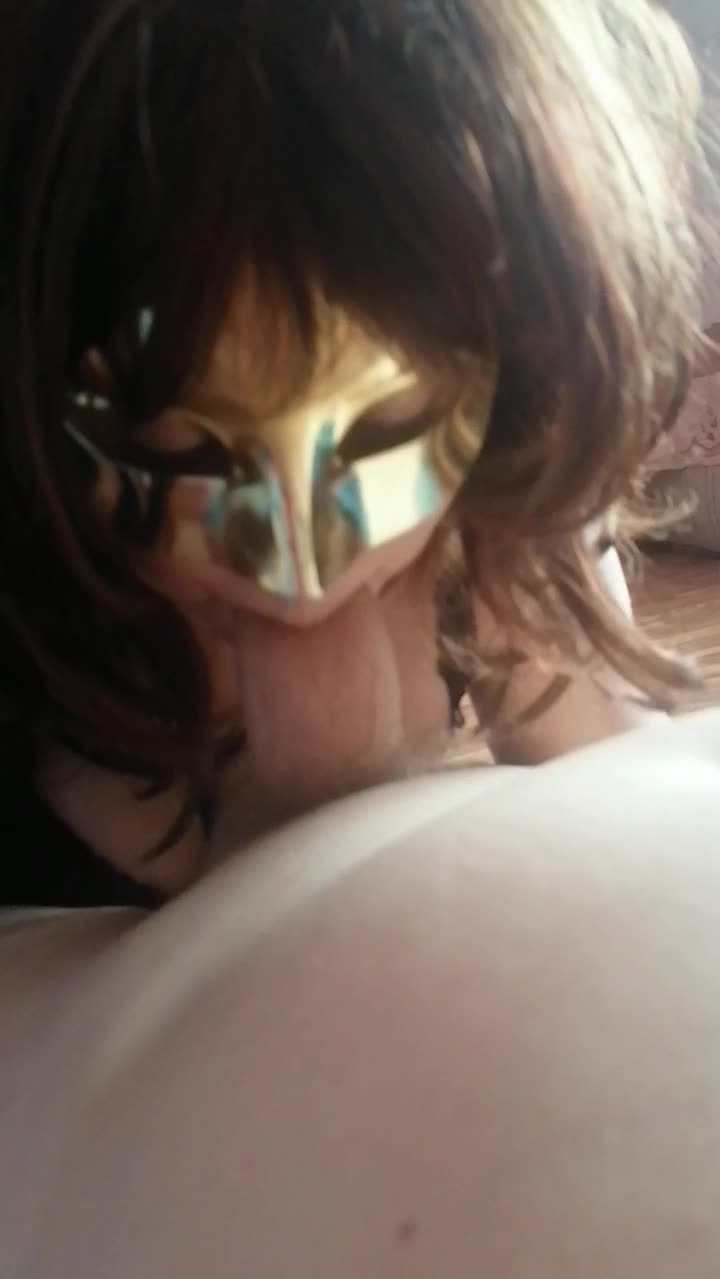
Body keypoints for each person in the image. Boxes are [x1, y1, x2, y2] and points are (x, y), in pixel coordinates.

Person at [0, 0, 708, 907]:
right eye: (188, 446)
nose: (302, 572)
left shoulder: (505, 545)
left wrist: (524, 604)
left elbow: (632, 837)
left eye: (384, 429)